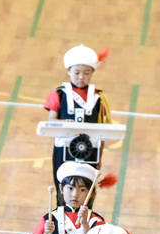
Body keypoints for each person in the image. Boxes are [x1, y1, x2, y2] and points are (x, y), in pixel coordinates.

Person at [44, 44, 112, 187]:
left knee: (86, 187)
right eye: (77, 72)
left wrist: (99, 156)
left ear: (92, 73)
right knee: (64, 186)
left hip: (89, 150)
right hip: (64, 150)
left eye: (87, 73)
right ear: (68, 71)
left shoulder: (98, 97)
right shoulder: (60, 93)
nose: (81, 77)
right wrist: (63, 123)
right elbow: (51, 120)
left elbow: (102, 131)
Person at [32, 161, 111, 234]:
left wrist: (84, 223)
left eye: (82, 190)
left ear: (91, 193)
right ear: (61, 188)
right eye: (70, 188)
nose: (75, 195)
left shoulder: (96, 221)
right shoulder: (50, 218)